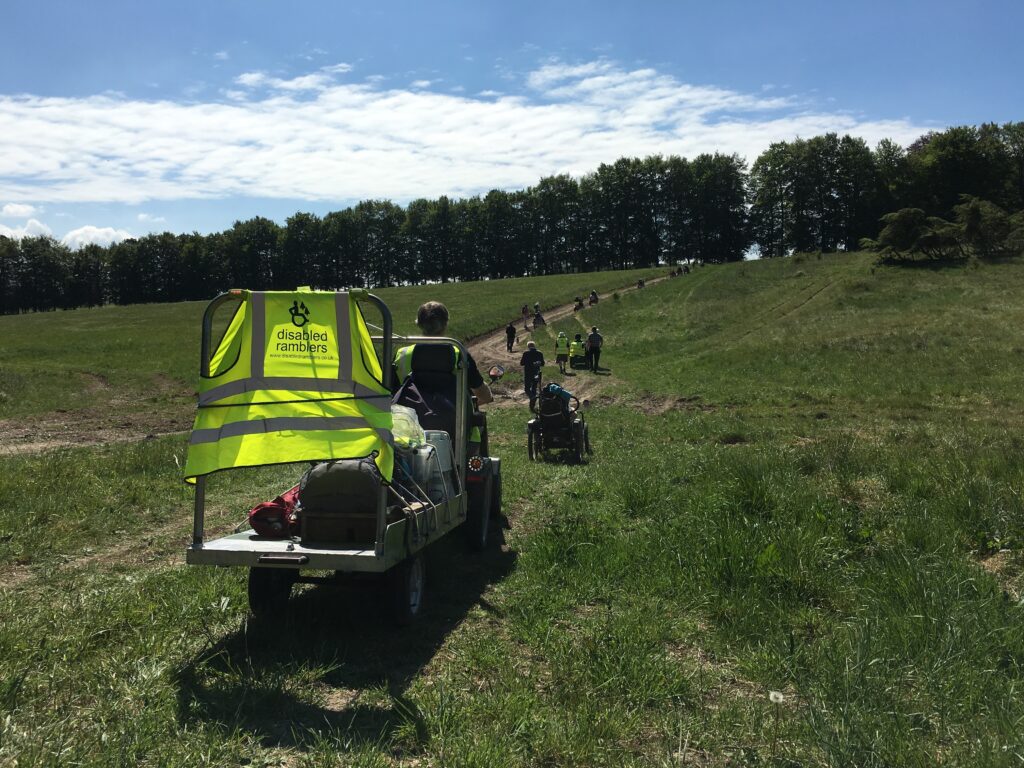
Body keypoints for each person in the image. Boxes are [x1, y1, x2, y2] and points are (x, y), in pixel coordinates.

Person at [392, 301, 493, 453]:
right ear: (445, 324)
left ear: (418, 324)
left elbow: (390, 394)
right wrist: (484, 397)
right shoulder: (459, 353)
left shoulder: (403, 355)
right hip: (457, 437)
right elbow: (482, 393)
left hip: (409, 436)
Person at [519, 340, 545, 412]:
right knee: (534, 388)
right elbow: (543, 363)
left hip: (528, 373)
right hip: (536, 373)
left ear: (528, 346)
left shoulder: (526, 353)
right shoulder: (539, 353)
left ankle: (532, 397)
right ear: (534, 346)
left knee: (527, 389)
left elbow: (522, 363)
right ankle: (532, 407)